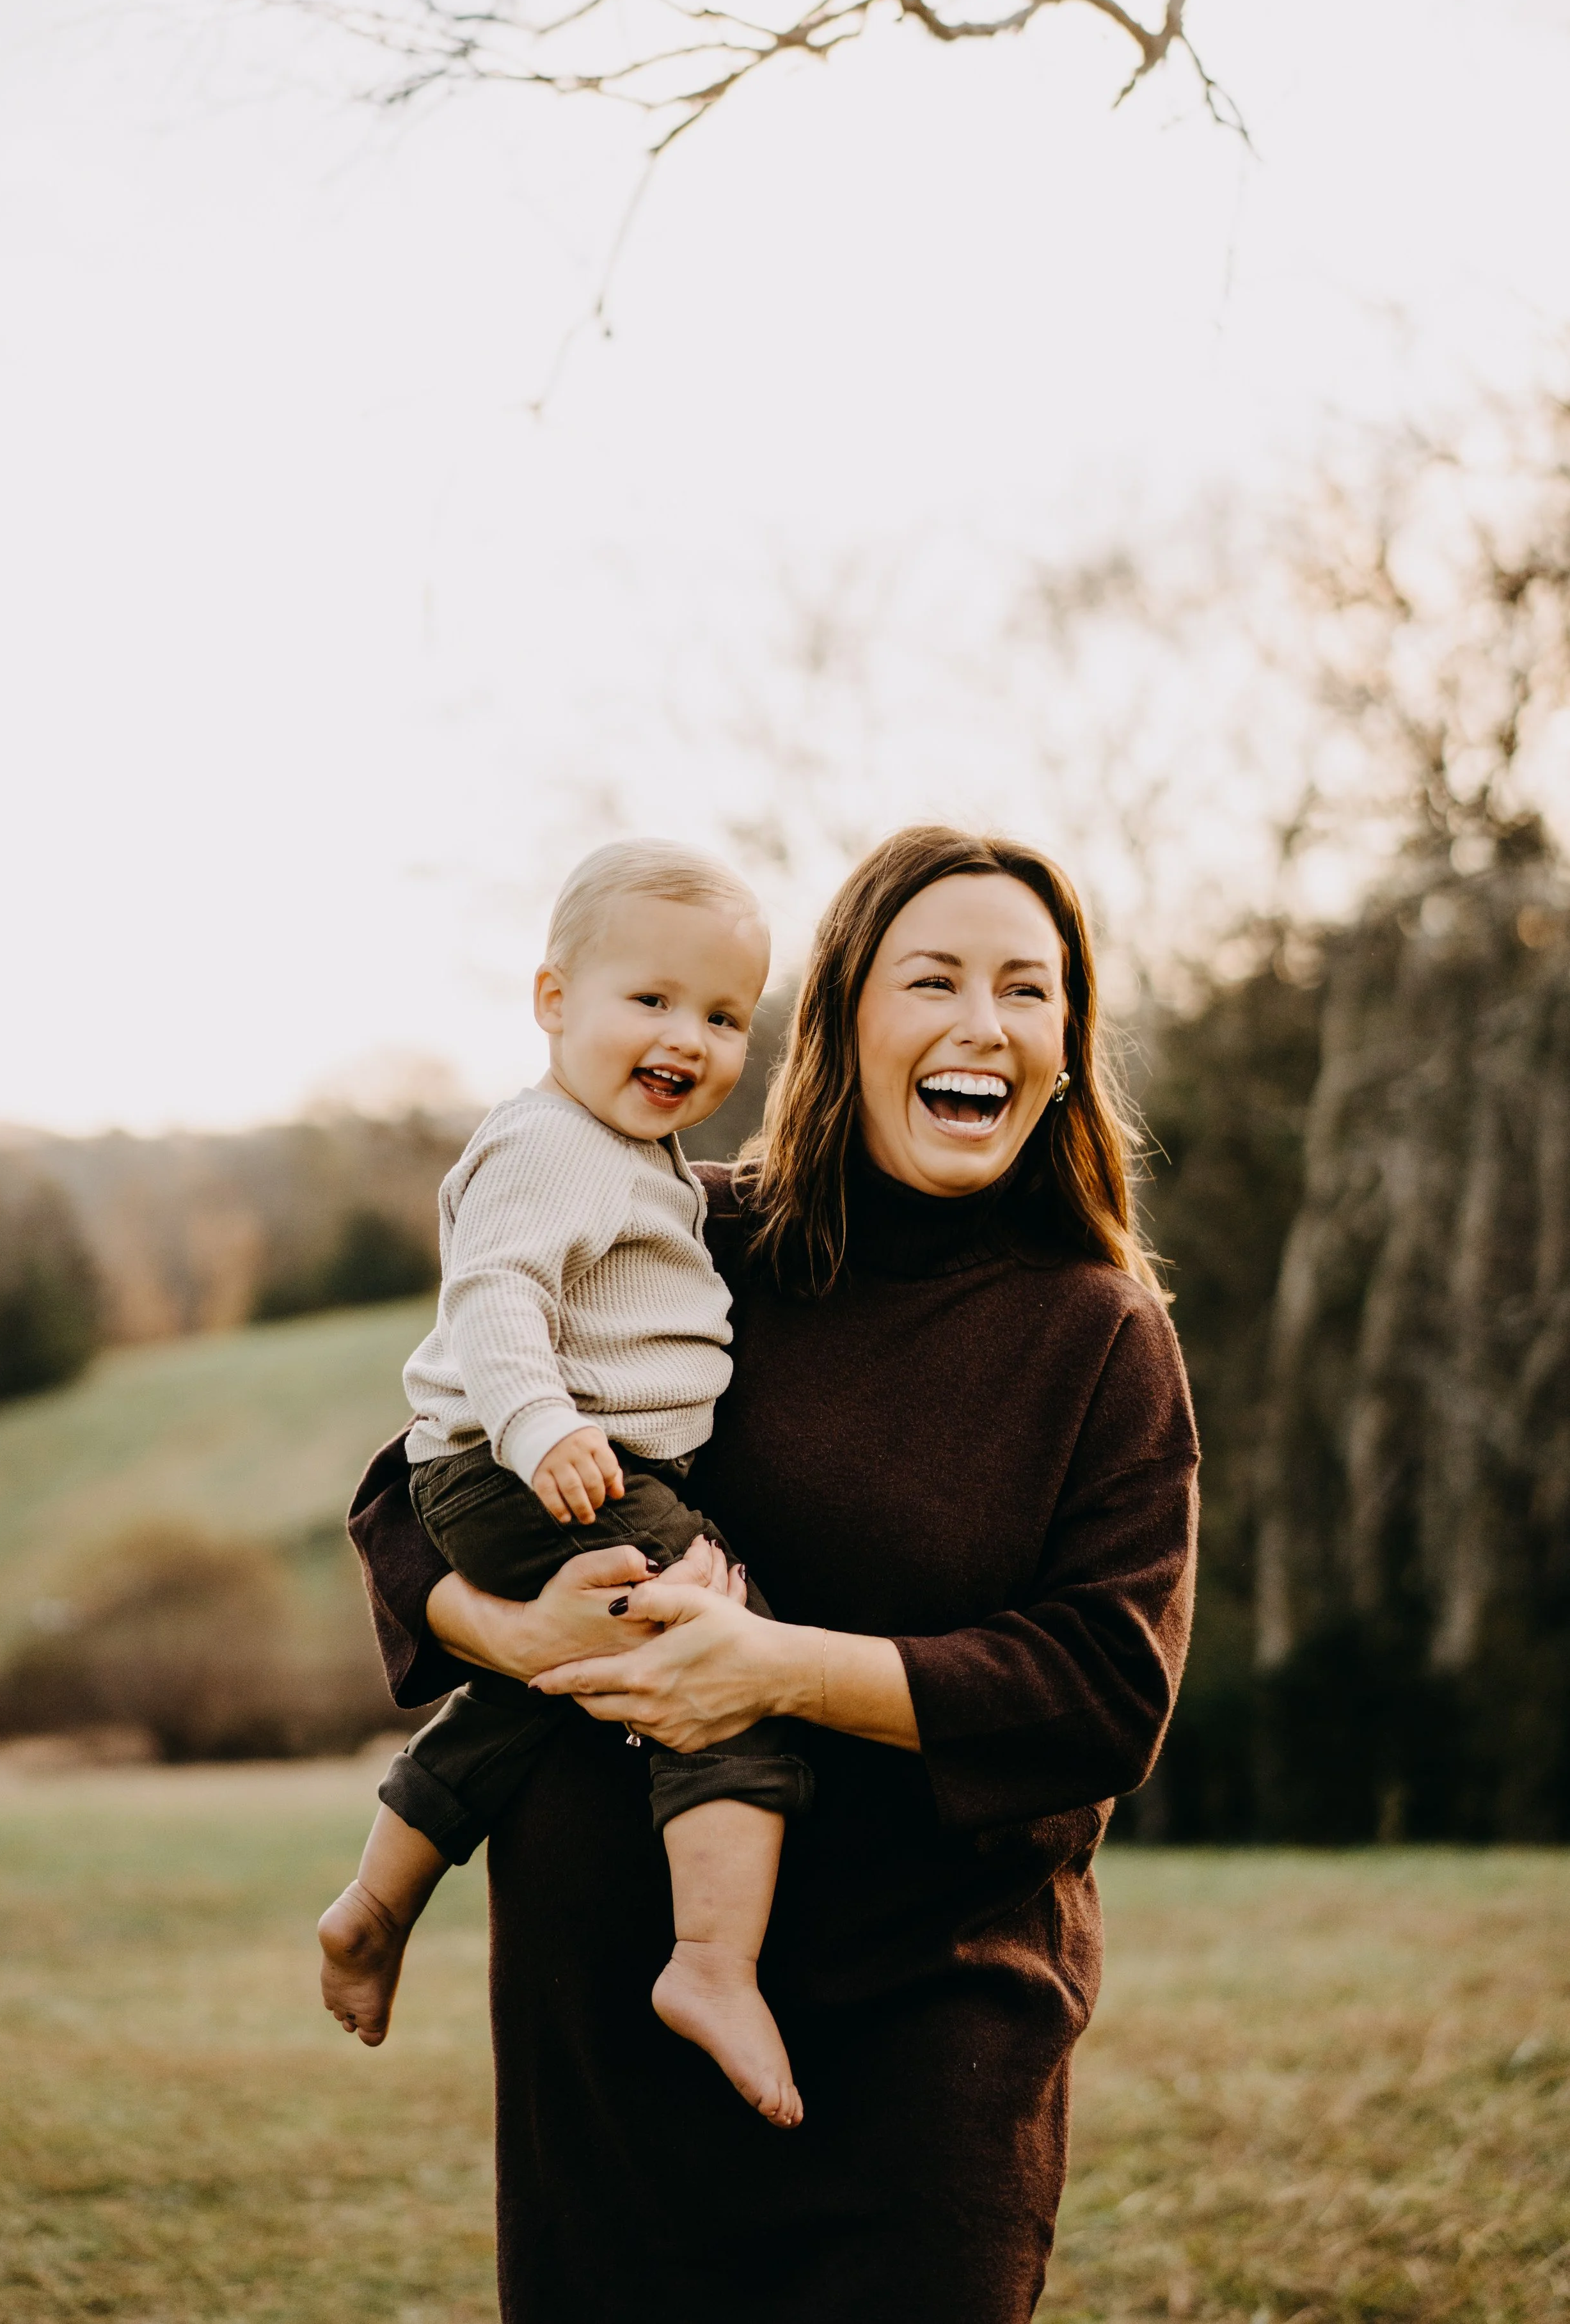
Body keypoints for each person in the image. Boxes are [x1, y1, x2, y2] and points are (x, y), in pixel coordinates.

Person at [346, 825, 1200, 2324]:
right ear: (847, 1022)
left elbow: (1102, 1694)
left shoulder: (1096, 1339)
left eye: (1028, 990)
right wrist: (517, 1630)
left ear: (1067, 1044)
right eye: (930, 980)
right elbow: (412, 1483)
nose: (980, 1025)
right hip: (606, 2029)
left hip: (927, 2035)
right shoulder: (690, 1230)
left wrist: (774, 1668)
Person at [319, 840, 814, 2125]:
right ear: (552, 1002)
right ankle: (711, 1964)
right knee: (721, 1657)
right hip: (528, 1462)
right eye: (647, 1000)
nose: (686, 1037)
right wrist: (541, 1428)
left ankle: (374, 1902)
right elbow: (495, 1298)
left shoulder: (633, 1157)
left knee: (539, 1688)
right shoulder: (548, 1145)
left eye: (718, 1015)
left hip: (538, 1469)